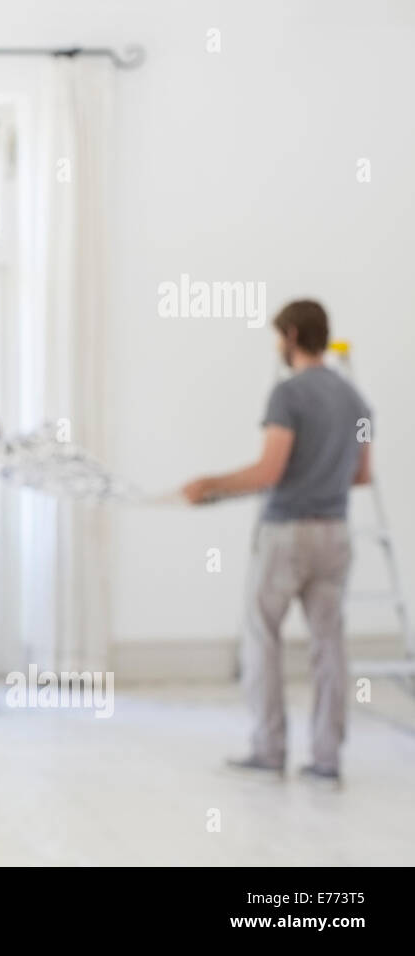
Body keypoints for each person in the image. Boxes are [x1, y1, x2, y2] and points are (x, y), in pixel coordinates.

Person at [183, 300, 372, 789]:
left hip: (287, 532)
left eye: (277, 336)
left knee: (263, 639)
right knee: (329, 645)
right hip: (335, 533)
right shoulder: (355, 400)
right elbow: (363, 474)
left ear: (290, 335)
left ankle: (269, 752)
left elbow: (269, 471)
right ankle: (327, 761)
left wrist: (211, 483)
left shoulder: (286, 396)